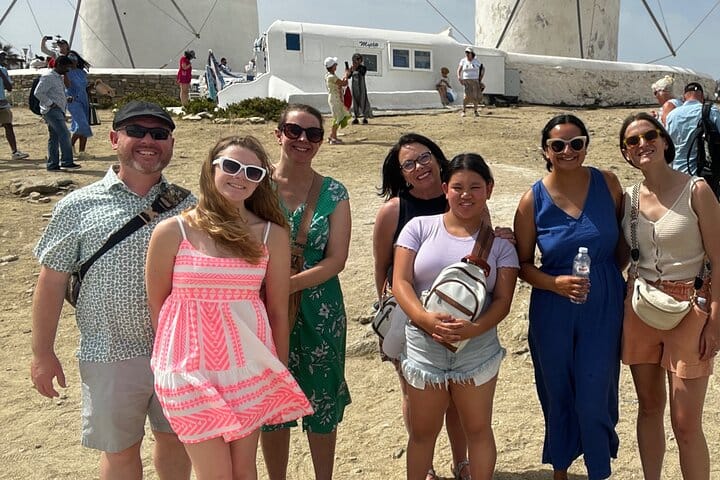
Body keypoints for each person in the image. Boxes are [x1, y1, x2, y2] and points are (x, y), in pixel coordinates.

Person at [30, 101, 194, 479]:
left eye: (159, 134)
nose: (148, 141)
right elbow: (52, 282)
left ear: (171, 143)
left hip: (178, 353)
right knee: (120, 451)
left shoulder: (190, 206)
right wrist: (42, 353)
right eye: (136, 131)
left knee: (176, 441)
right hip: (109, 353)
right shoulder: (77, 206)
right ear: (113, 137)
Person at [146, 135, 313, 479]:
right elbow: (159, 305)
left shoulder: (271, 235)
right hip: (187, 369)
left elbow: (277, 310)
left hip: (247, 367)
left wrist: (277, 370)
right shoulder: (173, 231)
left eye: (252, 172)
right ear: (212, 168)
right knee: (216, 474)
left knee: (244, 470)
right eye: (232, 166)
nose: (240, 177)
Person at [393, 153, 519, 480]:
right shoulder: (419, 228)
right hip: (424, 346)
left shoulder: (501, 246)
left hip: (477, 349)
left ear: (489, 189)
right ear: (445, 189)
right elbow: (400, 282)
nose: (466, 195)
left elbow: (503, 301)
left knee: (478, 429)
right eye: (458, 187)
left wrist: (472, 329)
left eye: (475, 187)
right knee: (422, 433)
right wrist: (424, 319)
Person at [513, 114, 625, 480]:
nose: (567, 151)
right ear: (545, 150)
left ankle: (598, 470)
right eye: (558, 145)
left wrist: (608, 279)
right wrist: (554, 283)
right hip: (552, 307)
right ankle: (560, 469)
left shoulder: (608, 183)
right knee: (557, 390)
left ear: (586, 146)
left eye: (576, 143)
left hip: (603, 303)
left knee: (595, 394)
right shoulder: (531, 200)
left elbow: (623, 242)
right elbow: (522, 264)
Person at [618, 112, 720, 480]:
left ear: (664, 141)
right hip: (641, 308)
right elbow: (616, 254)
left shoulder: (697, 190)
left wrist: (715, 323)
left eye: (649, 135)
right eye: (632, 141)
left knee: (686, 423)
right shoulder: (628, 198)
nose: (642, 144)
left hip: (691, 309)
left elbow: (719, 259)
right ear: (626, 153)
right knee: (648, 409)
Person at [261, 104, 351, 480]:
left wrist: (288, 286)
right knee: (271, 402)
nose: (303, 139)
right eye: (294, 131)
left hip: (320, 308)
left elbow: (337, 259)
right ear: (278, 134)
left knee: (322, 398)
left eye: (313, 134)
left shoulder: (333, 192)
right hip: (263, 308)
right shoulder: (255, 184)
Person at [374, 133, 470, 480]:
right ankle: (424, 466)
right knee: (415, 394)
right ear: (401, 173)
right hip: (409, 317)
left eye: (424, 157)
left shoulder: (460, 197)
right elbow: (382, 268)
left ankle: (462, 462)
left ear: (438, 158)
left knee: (458, 395)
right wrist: (394, 317)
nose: (419, 167)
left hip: (458, 315)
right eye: (409, 164)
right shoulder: (394, 210)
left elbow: (482, 246)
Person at [33, 55, 80, 171]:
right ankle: (66, 161)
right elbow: (38, 92)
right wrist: (50, 103)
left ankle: (53, 164)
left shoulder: (58, 77)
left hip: (59, 109)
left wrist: (66, 98)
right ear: (59, 65)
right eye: (66, 67)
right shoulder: (48, 77)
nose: (67, 70)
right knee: (65, 134)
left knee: (54, 137)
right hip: (51, 111)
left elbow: (56, 93)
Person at [666, 81, 720, 175]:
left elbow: (667, 143)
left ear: (684, 98)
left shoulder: (671, 115)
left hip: (678, 172)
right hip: (705, 173)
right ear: (702, 97)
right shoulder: (711, 111)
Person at [0, 51, 29, 160]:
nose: (3, 59)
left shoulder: (3, 70)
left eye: (3, 57)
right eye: (1, 57)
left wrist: (2, 74)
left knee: (8, 125)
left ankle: (15, 152)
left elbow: (9, 88)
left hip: (2, 103)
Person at [66, 51, 93, 160]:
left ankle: (82, 151)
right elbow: (66, 87)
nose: (73, 62)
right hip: (73, 101)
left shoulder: (82, 73)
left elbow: (84, 88)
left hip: (84, 100)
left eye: (74, 60)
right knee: (82, 125)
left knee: (85, 124)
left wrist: (92, 86)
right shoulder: (66, 74)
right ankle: (69, 146)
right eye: (70, 61)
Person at [323, 57, 351, 145]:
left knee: (339, 117)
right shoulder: (331, 77)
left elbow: (340, 83)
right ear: (332, 66)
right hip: (335, 99)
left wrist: (345, 76)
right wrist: (346, 75)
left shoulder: (330, 75)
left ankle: (332, 135)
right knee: (337, 118)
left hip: (335, 98)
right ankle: (333, 138)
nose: (336, 66)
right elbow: (344, 83)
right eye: (335, 64)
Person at [456, 47, 484, 117]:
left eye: (468, 53)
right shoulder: (463, 60)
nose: (467, 54)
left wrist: (480, 79)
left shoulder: (476, 61)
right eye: (466, 53)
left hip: (475, 80)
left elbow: (482, 68)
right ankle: (463, 111)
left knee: (475, 96)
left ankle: (475, 111)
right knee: (466, 96)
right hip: (466, 80)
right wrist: (459, 77)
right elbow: (459, 70)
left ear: (472, 53)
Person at [349, 53, 372, 125]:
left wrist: (356, 68)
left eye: (358, 59)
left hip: (361, 87)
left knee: (363, 101)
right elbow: (349, 76)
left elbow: (362, 73)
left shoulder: (363, 67)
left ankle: (365, 117)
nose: (356, 61)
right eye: (355, 59)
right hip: (354, 88)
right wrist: (349, 71)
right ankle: (355, 117)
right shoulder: (352, 68)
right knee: (355, 102)